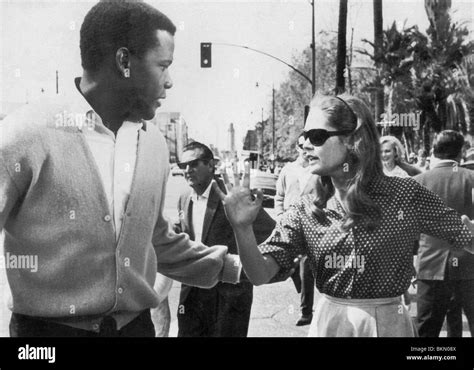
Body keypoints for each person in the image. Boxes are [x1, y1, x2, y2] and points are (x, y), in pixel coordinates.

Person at [0, 1, 242, 337]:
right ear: (124, 61)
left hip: (135, 328)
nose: (170, 82)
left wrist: (238, 267)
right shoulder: (25, 135)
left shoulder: (154, 143)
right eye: (163, 66)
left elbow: (155, 241)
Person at [213, 94, 474, 337]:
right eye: (303, 136)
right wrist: (242, 228)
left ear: (352, 139)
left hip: (389, 323)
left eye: (316, 135)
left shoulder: (404, 192)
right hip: (331, 324)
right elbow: (260, 274)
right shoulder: (307, 207)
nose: (304, 143)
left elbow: (464, 235)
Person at [175, 142, 275, 337]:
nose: (187, 170)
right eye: (183, 165)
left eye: (194, 164)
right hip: (192, 296)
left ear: (211, 165)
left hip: (229, 298)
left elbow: (272, 234)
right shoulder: (184, 198)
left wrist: (242, 266)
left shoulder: (233, 197)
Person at [414, 130, 474, 337]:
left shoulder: (417, 182)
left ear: (433, 151)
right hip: (469, 265)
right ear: (461, 153)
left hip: (431, 265)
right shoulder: (471, 178)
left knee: (426, 332)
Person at [275, 133, 319, 326]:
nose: (304, 150)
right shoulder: (288, 170)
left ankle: (306, 311)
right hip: (289, 223)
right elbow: (279, 196)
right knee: (292, 266)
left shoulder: (318, 170)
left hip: (311, 223)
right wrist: (279, 218)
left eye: (308, 147)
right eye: (302, 146)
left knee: (305, 265)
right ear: (297, 147)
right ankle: (307, 302)